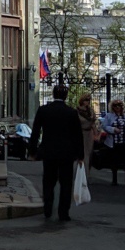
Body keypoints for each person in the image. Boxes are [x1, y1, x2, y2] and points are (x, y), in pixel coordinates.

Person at [27, 81, 85, 223]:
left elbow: (35, 132)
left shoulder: (44, 110)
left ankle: (47, 208)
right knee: (66, 183)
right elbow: (78, 136)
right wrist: (80, 155)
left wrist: (32, 151)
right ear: (66, 96)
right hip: (67, 154)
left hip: (49, 152)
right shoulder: (71, 113)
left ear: (53, 95)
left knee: (48, 181)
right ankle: (63, 213)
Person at [103, 96, 125, 187]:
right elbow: (104, 126)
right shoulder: (109, 116)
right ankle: (114, 179)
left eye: (119, 105)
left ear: (122, 107)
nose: (117, 107)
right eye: (115, 105)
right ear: (112, 107)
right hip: (113, 143)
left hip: (124, 142)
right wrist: (113, 129)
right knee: (114, 161)